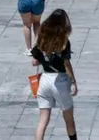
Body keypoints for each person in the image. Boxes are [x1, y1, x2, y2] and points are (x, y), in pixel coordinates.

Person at [31, 9, 78, 140]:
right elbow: (66, 63)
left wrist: (45, 59)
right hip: (60, 81)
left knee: (43, 120)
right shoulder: (64, 41)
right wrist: (73, 82)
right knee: (68, 118)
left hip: (45, 80)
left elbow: (34, 62)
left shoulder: (42, 39)